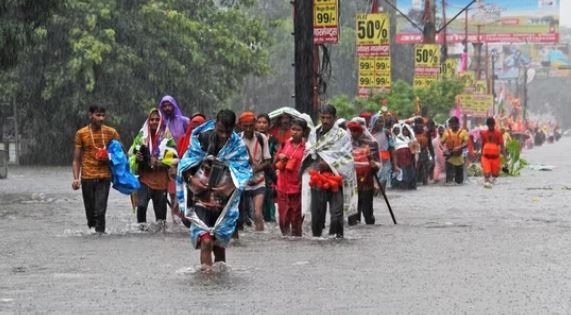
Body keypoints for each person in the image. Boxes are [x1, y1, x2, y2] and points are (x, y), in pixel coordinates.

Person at [176, 109, 252, 271]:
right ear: (215, 124)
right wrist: (192, 179)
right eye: (220, 131)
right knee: (206, 240)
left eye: (227, 132)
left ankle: (219, 280)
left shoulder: (237, 146)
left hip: (223, 201)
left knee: (218, 243)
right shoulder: (201, 139)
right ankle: (206, 280)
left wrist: (226, 187)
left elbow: (244, 171)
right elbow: (186, 164)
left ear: (233, 129)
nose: (223, 136)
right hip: (198, 197)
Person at [301, 104, 356, 238]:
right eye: (322, 117)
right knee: (317, 216)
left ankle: (336, 238)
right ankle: (317, 239)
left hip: (336, 178)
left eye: (328, 118)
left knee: (337, 214)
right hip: (317, 178)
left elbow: (347, 157)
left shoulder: (342, 135)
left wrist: (329, 163)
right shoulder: (314, 133)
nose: (325, 121)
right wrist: (313, 157)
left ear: (335, 118)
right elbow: (309, 150)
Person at [72, 105, 120, 234]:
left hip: (104, 176)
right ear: (90, 115)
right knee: (91, 216)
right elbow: (76, 160)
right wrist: (76, 178)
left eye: (103, 115)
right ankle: (92, 239)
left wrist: (108, 156)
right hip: (87, 177)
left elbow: (120, 155)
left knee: (100, 211)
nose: (101, 118)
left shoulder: (111, 132)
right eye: (98, 115)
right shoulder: (81, 133)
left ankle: (100, 238)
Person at [128, 109, 178, 230]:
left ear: (161, 120)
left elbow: (174, 157)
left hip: (160, 181)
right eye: (151, 119)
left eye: (157, 119)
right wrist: (138, 157)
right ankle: (141, 235)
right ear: (148, 121)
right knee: (141, 206)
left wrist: (159, 162)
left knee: (161, 220)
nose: (154, 122)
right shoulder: (141, 136)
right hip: (144, 179)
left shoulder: (167, 136)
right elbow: (130, 154)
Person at [158, 95, 190, 224]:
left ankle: (185, 217)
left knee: (184, 190)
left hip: (183, 160)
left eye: (169, 105)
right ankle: (175, 220)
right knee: (171, 192)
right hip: (167, 162)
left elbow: (190, 137)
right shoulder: (160, 123)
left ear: (174, 105)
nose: (167, 108)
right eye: (164, 106)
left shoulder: (184, 121)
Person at [239, 112, 271, 231]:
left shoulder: (261, 138)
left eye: (251, 126)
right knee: (239, 217)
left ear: (254, 125)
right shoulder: (237, 139)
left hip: (259, 181)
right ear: (240, 125)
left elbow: (268, 161)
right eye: (245, 126)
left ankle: (260, 240)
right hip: (242, 183)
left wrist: (256, 168)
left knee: (257, 215)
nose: (248, 129)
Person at [274, 118, 307, 236]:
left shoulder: (307, 147)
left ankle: (296, 241)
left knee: (296, 219)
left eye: (298, 130)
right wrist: (280, 157)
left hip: (298, 187)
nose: (295, 132)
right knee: (283, 219)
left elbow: (310, 167)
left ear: (303, 132)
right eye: (293, 129)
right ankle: (285, 241)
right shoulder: (285, 143)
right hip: (282, 185)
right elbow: (275, 161)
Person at [347, 117, 380, 225]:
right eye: (352, 131)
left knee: (367, 212)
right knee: (352, 215)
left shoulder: (371, 144)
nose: (354, 133)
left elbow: (377, 164)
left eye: (357, 131)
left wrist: (374, 165)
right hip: (351, 183)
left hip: (366, 182)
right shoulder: (346, 144)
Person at [256, 113, 277, 223]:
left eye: (264, 123)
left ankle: (270, 221)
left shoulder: (273, 140)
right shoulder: (252, 138)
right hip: (254, 173)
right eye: (259, 122)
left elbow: (277, 155)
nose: (261, 125)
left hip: (269, 173)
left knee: (268, 197)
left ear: (269, 125)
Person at [441, 116, 468, 184]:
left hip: (459, 159)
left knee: (459, 181)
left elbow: (466, 143)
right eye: (451, 124)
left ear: (458, 124)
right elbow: (441, 143)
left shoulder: (463, 132)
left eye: (454, 124)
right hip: (449, 158)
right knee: (449, 181)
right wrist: (444, 149)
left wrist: (459, 147)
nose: (452, 126)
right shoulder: (446, 132)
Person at [480, 117, 504, 188]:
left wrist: (505, 156)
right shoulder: (484, 134)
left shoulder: (498, 133)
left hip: (495, 157)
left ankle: (491, 180)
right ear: (487, 125)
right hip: (485, 157)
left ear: (494, 124)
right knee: (487, 174)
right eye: (489, 125)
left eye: (492, 124)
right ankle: (486, 181)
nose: (491, 126)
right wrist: (480, 155)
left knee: (495, 175)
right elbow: (482, 144)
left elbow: (502, 145)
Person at [370, 114, 393, 188]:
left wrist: (394, 164)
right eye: (378, 122)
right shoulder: (368, 134)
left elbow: (392, 147)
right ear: (373, 122)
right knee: (373, 181)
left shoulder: (387, 133)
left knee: (383, 179)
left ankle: (381, 196)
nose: (381, 124)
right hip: (373, 159)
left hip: (385, 160)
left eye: (382, 122)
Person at [391, 123, 417, 190]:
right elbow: (394, 153)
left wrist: (416, 161)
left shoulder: (412, 139)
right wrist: (395, 165)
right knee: (403, 177)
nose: (405, 132)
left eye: (406, 130)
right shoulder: (396, 139)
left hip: (410, 162)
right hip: (401, 162)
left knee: (412, 177)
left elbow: (416, 152)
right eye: (403, 130)